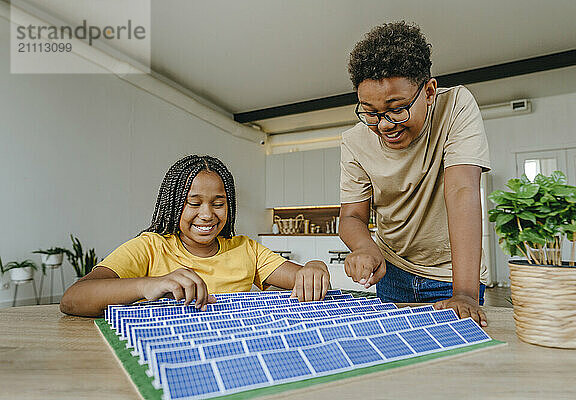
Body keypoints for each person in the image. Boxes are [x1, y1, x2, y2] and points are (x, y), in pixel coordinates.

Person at [339, 21, 490, 326]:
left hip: (453, 275)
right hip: (392, 272)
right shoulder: (354, 141)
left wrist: (464, 293)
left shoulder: (456, 106)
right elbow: (352, 216)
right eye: (370, 111)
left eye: (397, 108)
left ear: (430, 91)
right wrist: (366, 248)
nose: (384, 124)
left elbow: (462, 191)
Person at [60, 155, 330, 317]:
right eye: (194, 202)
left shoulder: (246, 249)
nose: (207, 214)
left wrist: (314, 267)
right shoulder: (149, 248)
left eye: (218, 203)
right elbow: (74, 298)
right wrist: (147, 285)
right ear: (175, 205)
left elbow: (304, 277)